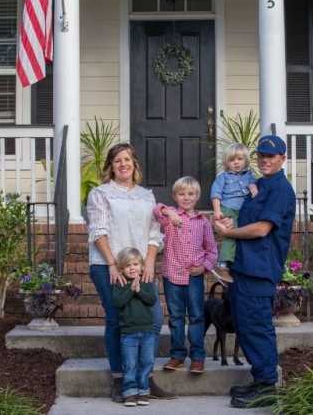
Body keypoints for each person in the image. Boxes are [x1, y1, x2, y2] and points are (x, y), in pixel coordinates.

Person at [86, 143, 174, 402]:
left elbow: (154, 232)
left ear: (135, 164)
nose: (123, 164)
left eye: (127, 160)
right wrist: (113, 264)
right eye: (117, 161)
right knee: (117, 320)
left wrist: (149, 262)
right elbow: (98, 231)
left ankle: (144, 378)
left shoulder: (147, 196)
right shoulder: (100, 194)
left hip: (140, 266)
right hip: (108, 266)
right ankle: (120, 379)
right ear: (110, 167)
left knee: (154, 319)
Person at [213, 135, 296, 409]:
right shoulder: (257, 185)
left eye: (271, 156)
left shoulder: (280, 189)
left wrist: (229, 233)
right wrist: (225, 220)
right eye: (261, 155)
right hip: (245, 268)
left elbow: (262, 228)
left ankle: (268, 385)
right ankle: (260, 380)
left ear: (283, 158)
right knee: (246, 326)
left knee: (257, 327)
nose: (265, 160)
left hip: (260, 270)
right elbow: (239, 213)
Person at [153, 177, 218, 374]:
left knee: (197, 316)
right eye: (181, 194)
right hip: (172, 274)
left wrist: (204, 267)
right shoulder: (169, 219)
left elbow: (212, 250)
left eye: (191, 194)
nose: (186, 198)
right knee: (176, 316)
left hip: (194, 276)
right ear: (175, 196)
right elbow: (155, 209)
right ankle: (177, 355)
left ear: (197, 196)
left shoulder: (203, 222)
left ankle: (198, 356)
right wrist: (169, 211)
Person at [112, 248, 158, 407]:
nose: (132, 268)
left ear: (142, 266)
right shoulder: (120, 284)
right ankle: (130, 393)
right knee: (130, 363)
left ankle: (143, 391)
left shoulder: (146, 281)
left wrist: (139, 290)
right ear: (121, 269)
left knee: (146, 361)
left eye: (135, 264)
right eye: (127, 265)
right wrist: (131, 291)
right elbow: (118, 303)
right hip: (128, 333)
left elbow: (151, 299)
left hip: (147, 331)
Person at [210, 143, 258, 279]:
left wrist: (254, 188)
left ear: (246, 160)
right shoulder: (223, 177)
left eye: (239, 159)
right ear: (226, 162)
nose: (236, 162)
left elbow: (253, 186)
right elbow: (216, 194)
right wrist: (217, 211)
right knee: (231, 234)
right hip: (228, 208)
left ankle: (238, 262)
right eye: (232, 160)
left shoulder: (249, 176)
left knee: (245, 233)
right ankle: (222, 264)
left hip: (243, 210)